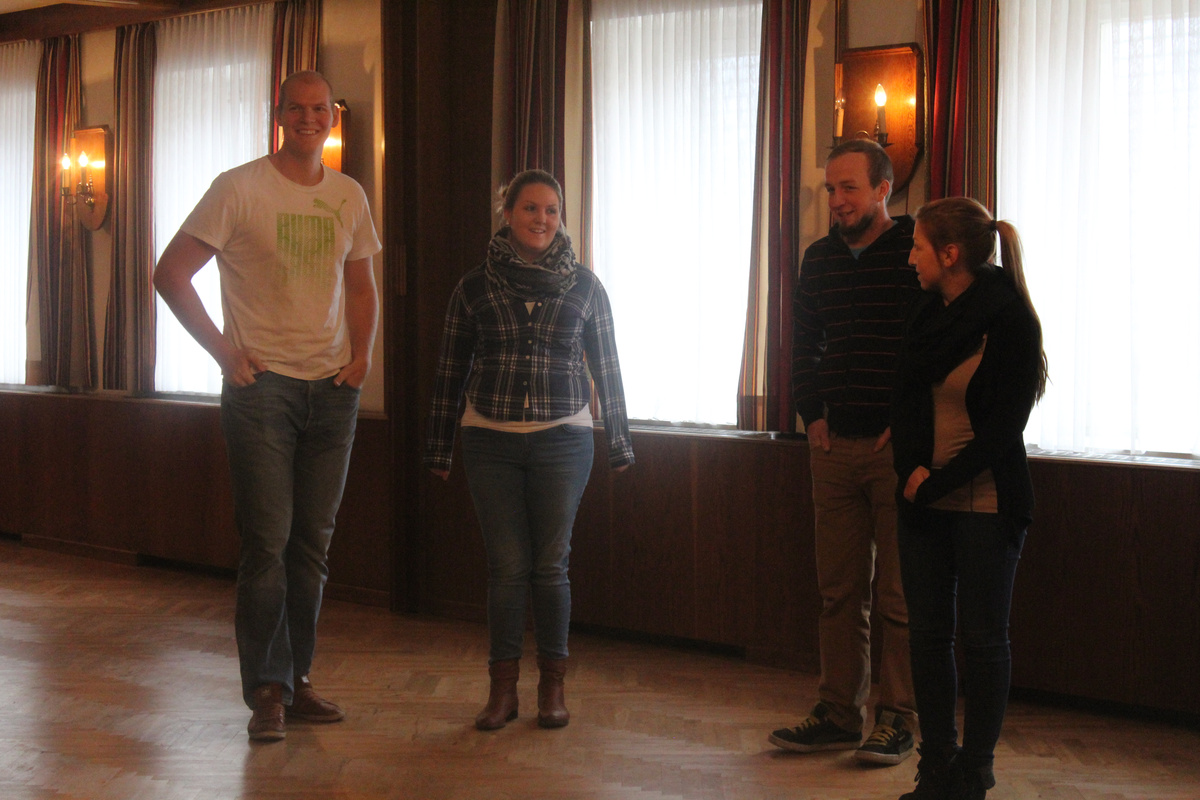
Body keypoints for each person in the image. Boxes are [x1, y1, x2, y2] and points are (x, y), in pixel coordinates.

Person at [153, 71, 381, 742]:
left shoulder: (349, 194)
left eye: (320, 109)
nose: (309, 118)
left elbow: (360, 286)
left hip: (333, 391)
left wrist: (362, 357)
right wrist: (225, 353)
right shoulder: (237, 188)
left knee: (311, 545)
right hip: (262, 391)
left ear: (332, 117)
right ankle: (266, 692)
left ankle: (297, 677)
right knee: (268, 543)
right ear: (278, 115)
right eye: (297, 108)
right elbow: (170, 273)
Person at [424, 168, 633, 731]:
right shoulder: (474, 286)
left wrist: (619, 442)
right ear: (508, 213)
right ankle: (502, 691)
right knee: (507, 568)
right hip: (488, 441)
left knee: (550, 565)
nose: (542, 219)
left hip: (564, 441)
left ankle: (552, 688)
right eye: (530, 208)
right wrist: (439, 448)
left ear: (560, 218)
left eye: (551, 210)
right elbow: (449, 369)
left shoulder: (586, 287)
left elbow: (607, 367)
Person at [890, 197, 1047, 799]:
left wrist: (934, 483)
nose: (911, 258)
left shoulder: (1008, 318)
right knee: (927, 637)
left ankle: (974, 774)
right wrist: (911, 472)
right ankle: (936, 768)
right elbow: (905, 398)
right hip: (922, 501)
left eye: (918, 247)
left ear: (950, 254)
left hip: (986, 504)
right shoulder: (923, 310)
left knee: (983, 641)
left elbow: (1003, 430)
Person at [770, 139, 920, 764]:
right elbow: (803, 341)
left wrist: (907, 423)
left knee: (901, 598)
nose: (836, 200)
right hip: (832, 447)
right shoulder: (819, 258)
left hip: (896, 450)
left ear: (884, 189)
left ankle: (899, 718)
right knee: (838, 592)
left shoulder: (915, 251)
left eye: (848, 187)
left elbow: (930, 346)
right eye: (831, 189)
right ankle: (837, 713)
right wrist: (812, 415)